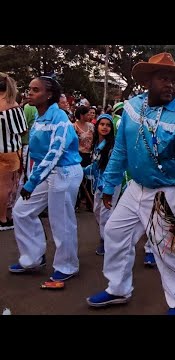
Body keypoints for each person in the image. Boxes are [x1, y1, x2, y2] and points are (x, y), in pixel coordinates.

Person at [86, 52, 175, 315]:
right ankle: (118, 289)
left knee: (168, 250)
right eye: (163, 78)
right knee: (115, 233)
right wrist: (109, 184)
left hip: (166, 195)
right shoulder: (131, 107)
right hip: (135, 189)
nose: (170, 85)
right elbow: (120, 151)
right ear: (148, 81)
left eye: (174, 80)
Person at [9, 76, 83, 281]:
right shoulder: (40, 118)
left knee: (61, 220)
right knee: (21, 212)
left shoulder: (59, 119)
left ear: (49, 95)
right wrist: (30, 178)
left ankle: (67, 265)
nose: (29, 93)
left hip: (65, 172)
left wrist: (31, 182)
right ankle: (32, 258)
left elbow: (54, 153)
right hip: (45, 172)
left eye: (35, 90)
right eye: (29, 89)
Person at [83, 114, 121, 256]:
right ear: (97, 126)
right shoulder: (96, 145)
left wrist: (107, 187)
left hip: (110, 185)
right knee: (97, 211)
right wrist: (82, 171)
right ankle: (107, 237)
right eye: (102, 124)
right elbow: (95, 165)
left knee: (106, 214)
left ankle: (107, 241)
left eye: (108, 125)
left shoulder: (113, 146)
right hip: (98, 184)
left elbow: (115, 168)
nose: (105, 127)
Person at [0, 73, 28, 231]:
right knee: (5, 187)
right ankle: (2, 218)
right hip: (8, 150)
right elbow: (22, 130)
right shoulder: (12, 105)